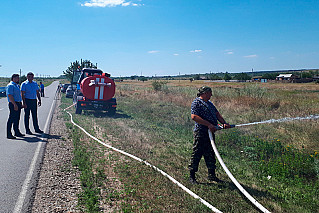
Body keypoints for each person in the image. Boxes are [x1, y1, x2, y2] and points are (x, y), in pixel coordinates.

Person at [189, 86, 230, 184]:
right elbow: (194, 117)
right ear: (205, 93)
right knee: (197, 153)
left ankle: (212, 175)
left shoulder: (209, 103)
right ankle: (192, 176)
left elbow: (217, 114)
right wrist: (209, 125)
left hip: (211, 133)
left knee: (211, 153)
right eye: (210, 93)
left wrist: (224, 123)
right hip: (201, 132)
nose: (211, 95)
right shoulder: (196, 102)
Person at [6, 74, 25, 139]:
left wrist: (20, 103)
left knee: (17, 118)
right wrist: (14, 104)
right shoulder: (10, 86)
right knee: (11, 118)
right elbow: (10, 96)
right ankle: (9, 134)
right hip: (13, 103)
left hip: (18, 103)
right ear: (13, 78)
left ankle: (17, 132)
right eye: (17, 78)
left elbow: (18, 95)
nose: (18, 79)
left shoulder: (17, 85)